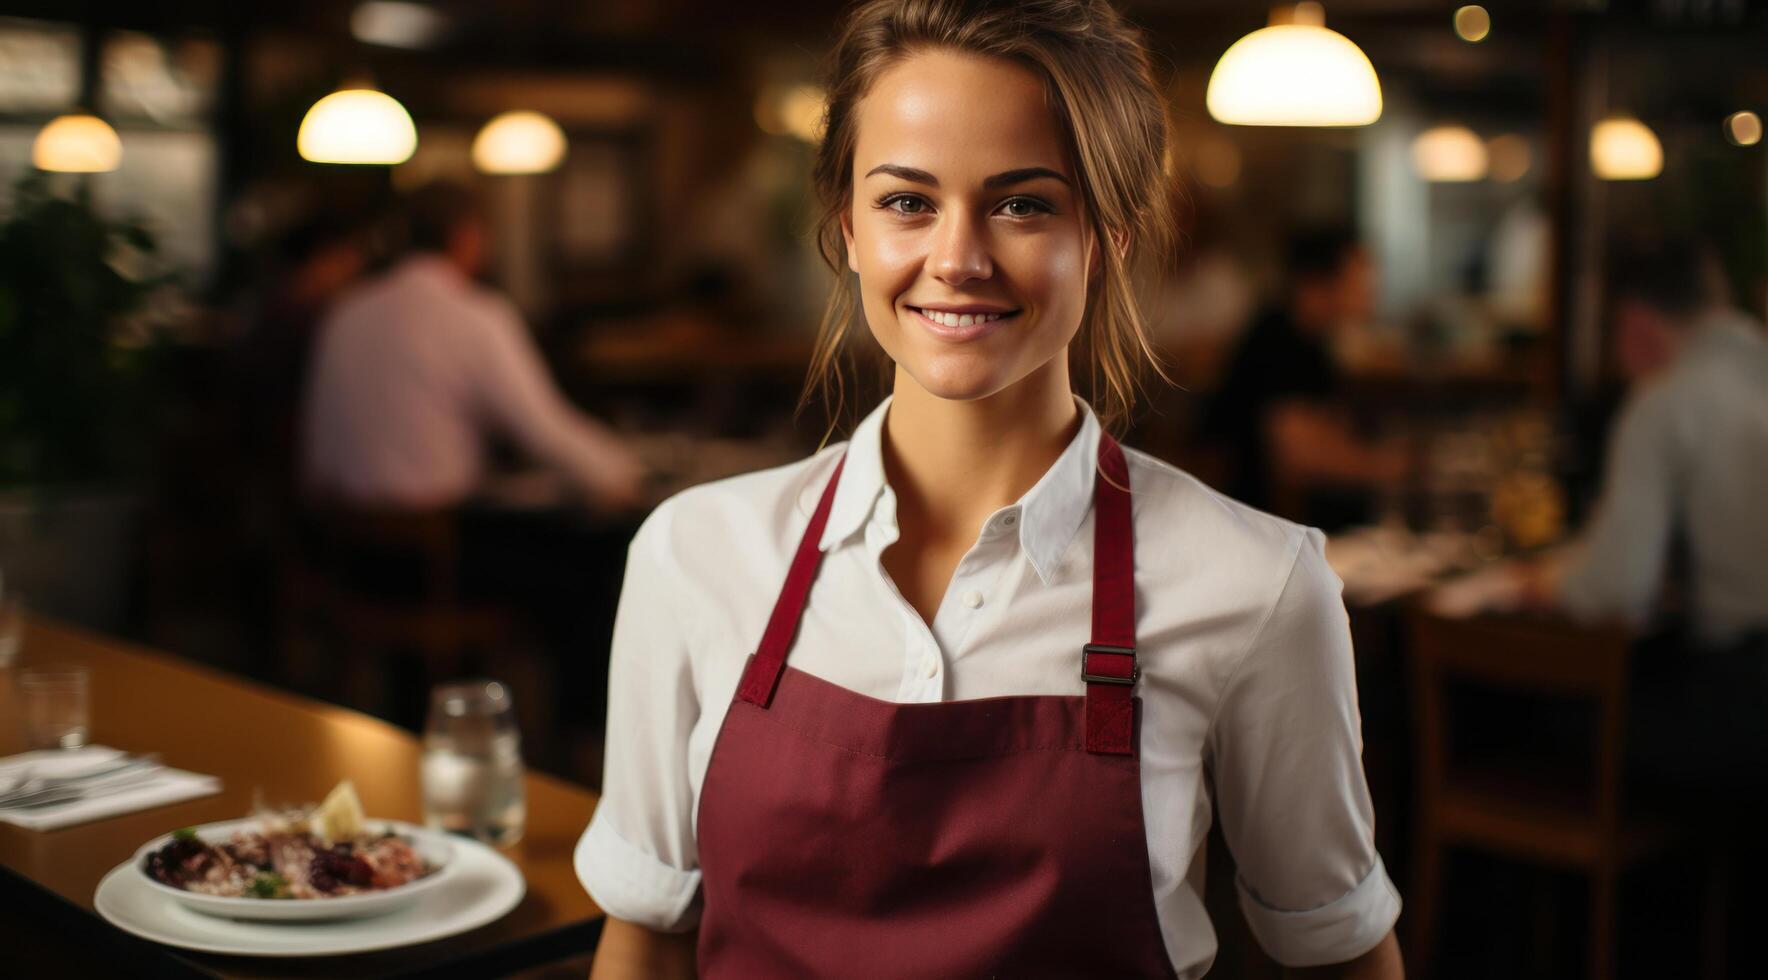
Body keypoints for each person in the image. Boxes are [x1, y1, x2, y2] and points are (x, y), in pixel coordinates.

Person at [575, 2, 1403, 977]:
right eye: (906, 201)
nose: (958, 257)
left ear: (1111, 237)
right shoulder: (693, 552)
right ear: (846, 227)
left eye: (1022, 203)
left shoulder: (1258, 583)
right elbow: (647, 937)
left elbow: (1341, 954)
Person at [1516, 236, 1768, 801]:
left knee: (1539, 719)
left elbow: (1616, 586)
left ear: (1634, 324)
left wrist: (1544, 584)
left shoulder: (1665, 401)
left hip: (1745, 701)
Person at [299, 180, 647, 511]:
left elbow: (316, 456)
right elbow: (542, 428)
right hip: (439, 539)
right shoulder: (473, 315)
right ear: (466, 236)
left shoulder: (345, 311)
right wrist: (623, 472)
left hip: (338, 536)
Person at [1198, 227, 1408, 530]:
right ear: (1316, 285)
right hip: (1263, 526)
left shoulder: (1310, 338)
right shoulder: (1278, 340)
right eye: (1360, 281)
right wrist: (1389, 466)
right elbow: (1297, 455)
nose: (1370, 293)